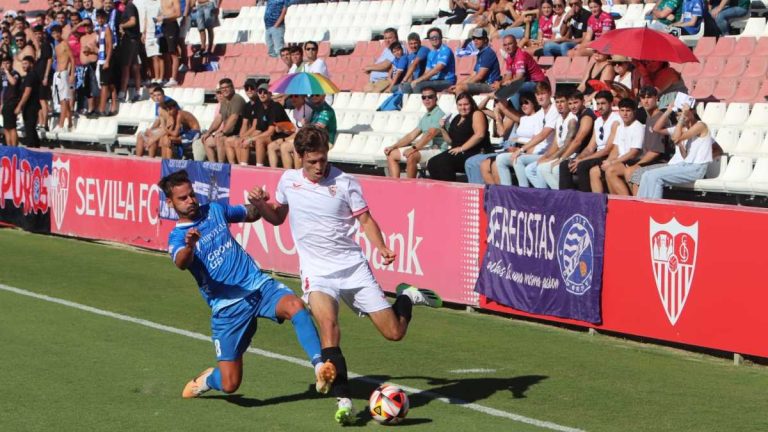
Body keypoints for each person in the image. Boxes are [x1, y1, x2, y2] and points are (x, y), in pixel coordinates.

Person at [246, 125, 442, 425]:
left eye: (323, 159)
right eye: (312, 161)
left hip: (352, 268)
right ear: (299, 156)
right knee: (328, 324)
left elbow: (365, 219)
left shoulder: (346, 182)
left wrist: (383, 248)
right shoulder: (288, 181)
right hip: (317, 272)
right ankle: (344, 399)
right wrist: (261, 205)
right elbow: (277, 218)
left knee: (394, 333)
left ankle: (406, 296)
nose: (319, 166)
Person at [158, 169, 337, 401]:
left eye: (191, 194)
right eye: (183, 198)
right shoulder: (177, 237)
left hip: (258, 286)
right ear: (170, 202)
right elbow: (182, 262)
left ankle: (319, 368)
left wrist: (259, 203)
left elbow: (250, 214)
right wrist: (190, 245)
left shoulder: (214, 210)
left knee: (296, 306)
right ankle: (208, 380)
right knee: (230, 383)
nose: (191, 200)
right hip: (227, 308)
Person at [638, 102, 713, 198]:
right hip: (684, 165)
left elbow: (676, 138)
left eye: (684, 112)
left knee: (656, 178)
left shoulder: (701, 125)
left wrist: (682, 118)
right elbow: (684, 152)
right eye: (679, 114)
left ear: (693, 112)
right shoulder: (684, 128)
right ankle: (642, 207)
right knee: (646, 175)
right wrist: (670, 111)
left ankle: (654, 209)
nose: (681, 115)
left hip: (697, 168)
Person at [494, 82, 558, 186]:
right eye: (538, 94)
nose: (540, 97)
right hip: (536, 152)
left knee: (518, 159)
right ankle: (507, 191)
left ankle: (523, 191)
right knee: (500, 159)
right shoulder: (541, 113)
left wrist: (521, 150)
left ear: (550, 93)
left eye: (543, 94)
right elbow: (535, 137)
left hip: (547, 153)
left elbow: (543, 135)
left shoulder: (554, 110)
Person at [610, 86, 670, 195]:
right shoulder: (649, 117)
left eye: (649, 97)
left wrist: (637, 164)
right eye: (643, 98)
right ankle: (624, 203)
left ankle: (637, 205)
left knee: (631, 171)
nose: (646, 101)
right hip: (649, 160)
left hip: (661, 161)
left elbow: (655, 152)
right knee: (611, 170)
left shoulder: (660, 118)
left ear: (656, 98)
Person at [560, 90, 618, 191]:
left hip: (608, 156)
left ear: (611, 103)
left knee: (583, 165)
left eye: (603, 103)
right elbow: (590, 147)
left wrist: (582, 160)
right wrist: (578, 158)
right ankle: (566, 199)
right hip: (597, 155)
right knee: (565, 164)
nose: (600, 107)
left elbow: (607, 149)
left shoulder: (615, 121)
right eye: (598, 103)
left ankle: (585, 200)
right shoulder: (598, 121)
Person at [383, 86, 445, 178]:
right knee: (391, 154)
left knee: (412, 155)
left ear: (436, 98)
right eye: (424, 97)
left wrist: (413, 148)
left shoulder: (439, 114)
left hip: (438, 150)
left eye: (430, 97)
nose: (427, 100)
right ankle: (395, 184)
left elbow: (430, 135)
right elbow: (411, 136)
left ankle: (410, 186)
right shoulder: (426, 116)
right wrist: (393, 146)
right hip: (428, 148)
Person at [429, 92, 492, 181]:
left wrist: (462, 148)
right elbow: (450, 142)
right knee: (432, 162)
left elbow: (480, 135)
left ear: (471, 104)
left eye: (466, 104)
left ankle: (451, 189)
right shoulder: (456, 118)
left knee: (442, 162)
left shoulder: (477, 114)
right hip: (458, 152)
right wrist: (443, 128)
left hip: (475, 151)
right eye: (460, 105)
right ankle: (442, 190)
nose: (463, 107)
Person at [590, 97, 644, 193]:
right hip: (621, 161)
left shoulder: (638, 127)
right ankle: (600, 203)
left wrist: (612, 163)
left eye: (628, 111)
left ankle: (624, 202)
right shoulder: (620, 127)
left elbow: (633, 153)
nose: (625, 113)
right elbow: (616, 149)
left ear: (634, 111)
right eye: (622, 110)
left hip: (632, 162)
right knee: (594, 171)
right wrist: (608, 161)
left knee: (611, 170)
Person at [531, 90, 579, 189]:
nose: (559, 105)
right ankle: (545, 197)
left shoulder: (572, 120)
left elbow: (567, 145)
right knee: (535, 167)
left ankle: (562, 197)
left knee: (547, 168)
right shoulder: (559, 119)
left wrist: (552, 159)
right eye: (557, 102)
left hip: (570, 156)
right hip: (560, 155)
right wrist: (546, 156)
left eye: (562, 101)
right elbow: (555, 144)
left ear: (567, 103)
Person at [498, 34, 547, 110]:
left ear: (516, 43)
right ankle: (512, 111)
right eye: (505, 45)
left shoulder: (520, 55)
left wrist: (508, 83)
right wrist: (500, 83)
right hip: (526, 82)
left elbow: (519, 77)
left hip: (537, 82)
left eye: (510, 44)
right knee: (502, 89)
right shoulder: (509, 57)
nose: (507, 47)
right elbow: (508, 76)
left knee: (513, 88)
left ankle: (517, 112)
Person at [201, 78, 245, 162]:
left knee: (220, 138)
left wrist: (223, 132)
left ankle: (220, 166)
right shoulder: (224, 101)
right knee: (206, 140)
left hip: (237, 134)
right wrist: (208, 132)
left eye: (227, 87)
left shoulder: (237, 99)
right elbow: (219, 118)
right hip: (228, 133)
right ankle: (213, 166)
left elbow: (234, 118)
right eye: (222, 88)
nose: (224, 90)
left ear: (232, 87)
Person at [402, 27, 456, 94]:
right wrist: (416, 81)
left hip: (446, 81)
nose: (434, 39)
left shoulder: (445, 50)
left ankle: (420, 104)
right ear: (429, 40)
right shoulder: (431, 53)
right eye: (432, 37)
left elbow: (437, 69)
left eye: (436, 36)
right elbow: (426, 72)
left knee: (418, 86)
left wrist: (418, 80)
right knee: (407, 86)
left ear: (441, 37)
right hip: (434, 81)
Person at [452, 28, 500, 95]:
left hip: (490, 85)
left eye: (479, 38)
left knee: (459, 88)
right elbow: (473, 74)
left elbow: (479, 76)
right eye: (474, 38)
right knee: (455, 87)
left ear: (485, 40)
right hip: (482, 84)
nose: (475, 40)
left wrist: (461, 86)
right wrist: (459, 84)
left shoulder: (488, 53)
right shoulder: (481, 53)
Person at [271, 94, 312, 169]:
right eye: (291, 96)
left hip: (304, 139)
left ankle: (294, 174)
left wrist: (284, 139)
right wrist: (284, 130)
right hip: (296, 137)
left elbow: (301, 133)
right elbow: (295, 130)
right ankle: (274, 171)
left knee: (284, 146)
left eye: (296, 96)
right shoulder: (295, 111)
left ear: (303, 97)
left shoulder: (307, 110)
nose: (293, 98)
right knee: (271, 146)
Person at [50, 25, 75, 132]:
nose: (56, 35)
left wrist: (72, 74)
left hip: (64, 73)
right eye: (54, 33)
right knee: (62, 100)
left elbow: (72, 59)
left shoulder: (65, 44)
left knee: (64, 100)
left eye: (57, 33)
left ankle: (61, 125)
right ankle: (69, 123)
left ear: (61, 33)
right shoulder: (57, 46)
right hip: (58, 74)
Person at [136, 86, 173, 157]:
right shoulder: (158, 103)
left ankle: (150, 160)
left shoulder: (168, 103)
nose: (152, 96)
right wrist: (151, 129)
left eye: (154, 93)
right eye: (151, 94)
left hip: (172, 128)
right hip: (166, 127)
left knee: (151, 135)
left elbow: (171, 123)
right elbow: (159, 120)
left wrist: (153, 132)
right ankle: (138, 161)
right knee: (141, 135)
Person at [118, 0, 142, 102]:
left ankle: (122, 93)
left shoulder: (129, 7)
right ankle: (138, 92)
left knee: (126, 66)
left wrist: (122, 26)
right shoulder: (129, 6)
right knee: (135, 66)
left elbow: (133, 21)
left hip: (130, 40)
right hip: (133, 40)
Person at [15, 56, 42, 148]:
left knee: (29, 129)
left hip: (31, 106)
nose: (24, 66)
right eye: (22, 64)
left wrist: (19, 106)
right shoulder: (29, 75)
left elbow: (27, 93)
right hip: (29, 106)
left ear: (31, 64)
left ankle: (31, 151)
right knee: (31, 129)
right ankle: (36, 147)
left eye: (26, 63)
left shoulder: (31, 76)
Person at [363, 28, 401, 93]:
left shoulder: (398, 49)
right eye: (385, 38)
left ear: (396, 38)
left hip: (384, 80)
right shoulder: (387, 49)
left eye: (390, 38)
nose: (387, 41)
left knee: (373, 97)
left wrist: (369, 68)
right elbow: (379, 64)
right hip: (373, 81)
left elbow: (385, 65)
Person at [95, 9, 117, 116]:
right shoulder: (99, 29)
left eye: (101, 18)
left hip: (106, 60)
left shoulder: (107, 29)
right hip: (101, 59)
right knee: (111, 84)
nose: (99, 20)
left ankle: (101, 109)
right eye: (98, 18)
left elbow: (109, 46)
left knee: (104, 85)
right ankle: (113, 106)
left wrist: (107, 61)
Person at [32, 25, 52, 129]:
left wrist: (46, 76)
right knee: (38, 100)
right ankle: (40, 122)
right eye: (36, 34)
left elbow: (49, 60)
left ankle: (45, 123)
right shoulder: (36, 46)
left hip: (43, 76)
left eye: (39, 33)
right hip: (36, 76)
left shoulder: (46, 45)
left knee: (43, 100)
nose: (38, 36)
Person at [158, 0, 181, 86]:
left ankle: (174, 78)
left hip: (172, 25)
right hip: (162, 26)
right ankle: (167, 77)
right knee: (165, 54)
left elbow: (178, 13)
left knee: (173, 53)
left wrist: (164, 17)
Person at [1, 56, 21, 146]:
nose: (5, 65)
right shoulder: (3, 76)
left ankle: (14, 148)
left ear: (11, 63)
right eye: (4, 63)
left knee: (12, 127)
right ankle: (9, 148)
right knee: (6, 128)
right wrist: (1, 104)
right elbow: (2, 90)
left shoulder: (14, 73)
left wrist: (6, 71)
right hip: (5, 103)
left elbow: (13, 82)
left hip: (13, 102)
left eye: (7, 63)